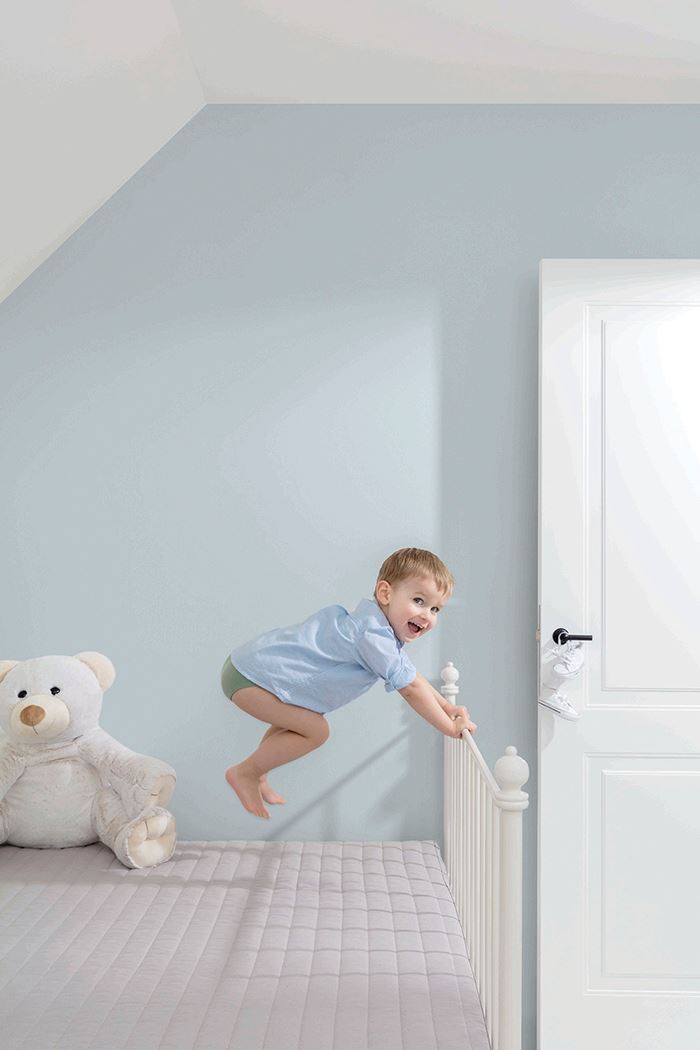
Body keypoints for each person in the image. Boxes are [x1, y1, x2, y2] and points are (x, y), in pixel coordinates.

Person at [221, 547, 476, 818]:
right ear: (385, 593)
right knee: (316, 730)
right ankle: (246, 772)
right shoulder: (373, 637)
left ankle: (257, 771)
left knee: (297, 722)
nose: (427, 615)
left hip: (248, 667)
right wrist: (450, 728)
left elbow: (412, 676)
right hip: (251, 677)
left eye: (435, 609)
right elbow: (411, 689)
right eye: (419, 601)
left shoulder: (376, 626)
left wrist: (447, 708)